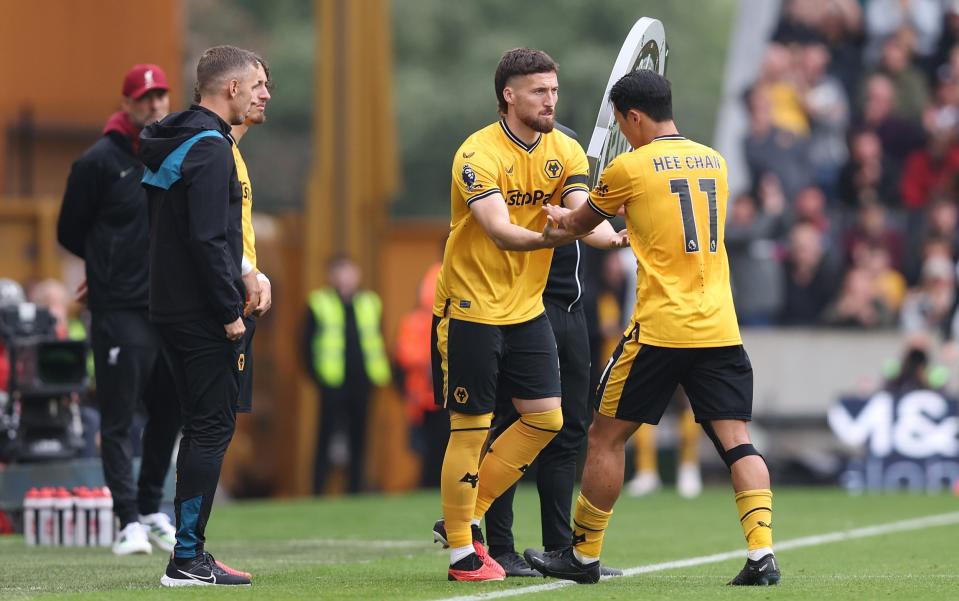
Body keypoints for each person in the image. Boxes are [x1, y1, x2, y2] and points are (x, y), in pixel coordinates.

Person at [526, 70, 780, 586]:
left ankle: (584, 556)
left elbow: (578, 226)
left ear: (634, 116)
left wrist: (554, 212)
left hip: (661, 328)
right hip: (719, 327)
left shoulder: (629, 167)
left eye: (624, 123)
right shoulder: (716, 161)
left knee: (604, 437)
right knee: (738, 443)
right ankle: (762, 555)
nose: (624, 131)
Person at [430, 48, 627, 582]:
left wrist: (619, 235)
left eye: (554, 91)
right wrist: (552, 234)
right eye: (539, 91)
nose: (550, 100)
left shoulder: (565, 151)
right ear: (508, 96)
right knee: (470, 430)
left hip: (524, 309)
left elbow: (586, 213)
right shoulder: (477, 153)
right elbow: (497, 228)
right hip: (470, 306)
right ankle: (461, 554)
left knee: (547, 418)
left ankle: (462, 515)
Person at [139, 45, 264, 587]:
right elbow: (209, 240)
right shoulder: (212, 149)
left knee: (198, 428)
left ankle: (187, 553)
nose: (263, 94)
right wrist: (227, 312)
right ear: (230, 88)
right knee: (211, 427)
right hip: (201, 313)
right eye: (257, 84)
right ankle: (187, 557)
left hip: (168, 307)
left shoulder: (179, 138)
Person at [481, 124, 623, 578]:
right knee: (513, 427)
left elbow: (587, 220)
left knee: (571, 433)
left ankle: (562, 550)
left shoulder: (571, 166)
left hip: (572, 312)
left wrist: (618, 234)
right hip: (525, 310)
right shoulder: (506, 172)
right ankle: (498, 548)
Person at [57, 64, 181, 556]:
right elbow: (69, 230)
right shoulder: (97, 162)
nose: (154, 105)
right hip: (119, 307)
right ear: (126, 105)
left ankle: (151, 506)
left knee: (170, 408)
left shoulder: (174, 154)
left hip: (168, 304)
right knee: (118, 412)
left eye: (160, 96)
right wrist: (103, 268)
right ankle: (126, 517)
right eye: (144, 98)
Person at [304, 255, 391, 494]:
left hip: (363, 381)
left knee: (359, 436)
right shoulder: (319, 302)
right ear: (331, 276)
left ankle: (355, 488)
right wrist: (317, 377)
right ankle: (318, 490)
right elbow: (305, 344)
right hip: (332, 383)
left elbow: (379, 339)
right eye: (339, 272)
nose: (345, 278)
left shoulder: (370, 302)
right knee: (326, 435)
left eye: (349, 272)